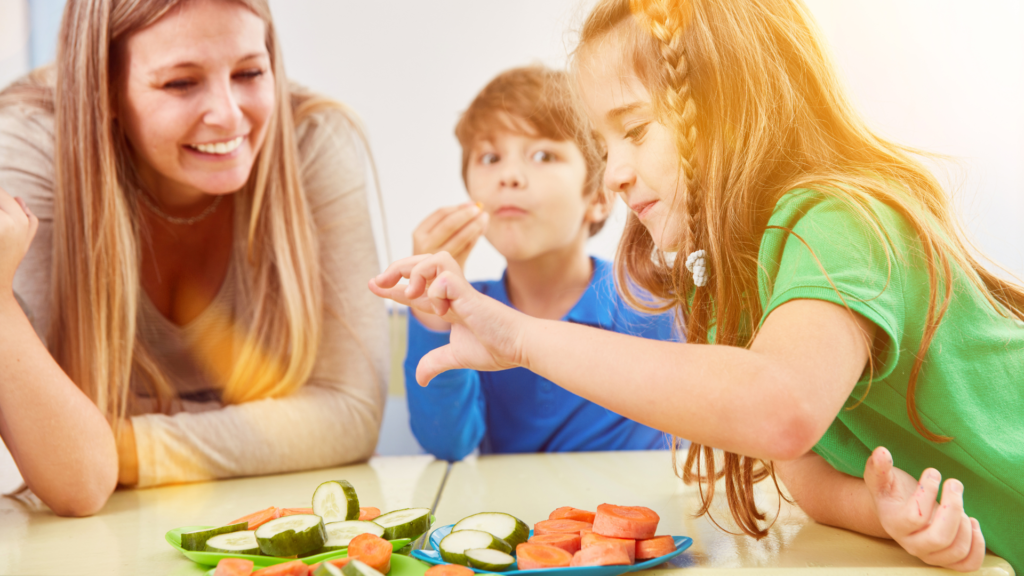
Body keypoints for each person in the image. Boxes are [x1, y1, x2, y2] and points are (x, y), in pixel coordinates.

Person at [370, 0, 1024, 571]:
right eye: (605, 148)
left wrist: (520, 338)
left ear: (731, 108)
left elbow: (780, 410)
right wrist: (893, 513)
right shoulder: (730, 288)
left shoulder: (839, 218)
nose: (615, 176)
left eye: (633, 131)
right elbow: (811, 478)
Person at [0, 0, 387, 517]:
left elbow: (350, 412)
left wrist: (118, 443)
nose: (228, 114)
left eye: (250, 71)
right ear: (104, 87)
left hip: (270, 519)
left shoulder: (313, 141)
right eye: (181, 84)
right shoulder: (31, 147)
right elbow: (74, 478)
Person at [404, 66, 678, 461]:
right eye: (490, 157)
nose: (510, 176)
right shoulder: (464, 312)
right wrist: (433, 313)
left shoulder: (656, 305)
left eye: (543, 155)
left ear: (600, 197)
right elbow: (448, 444)